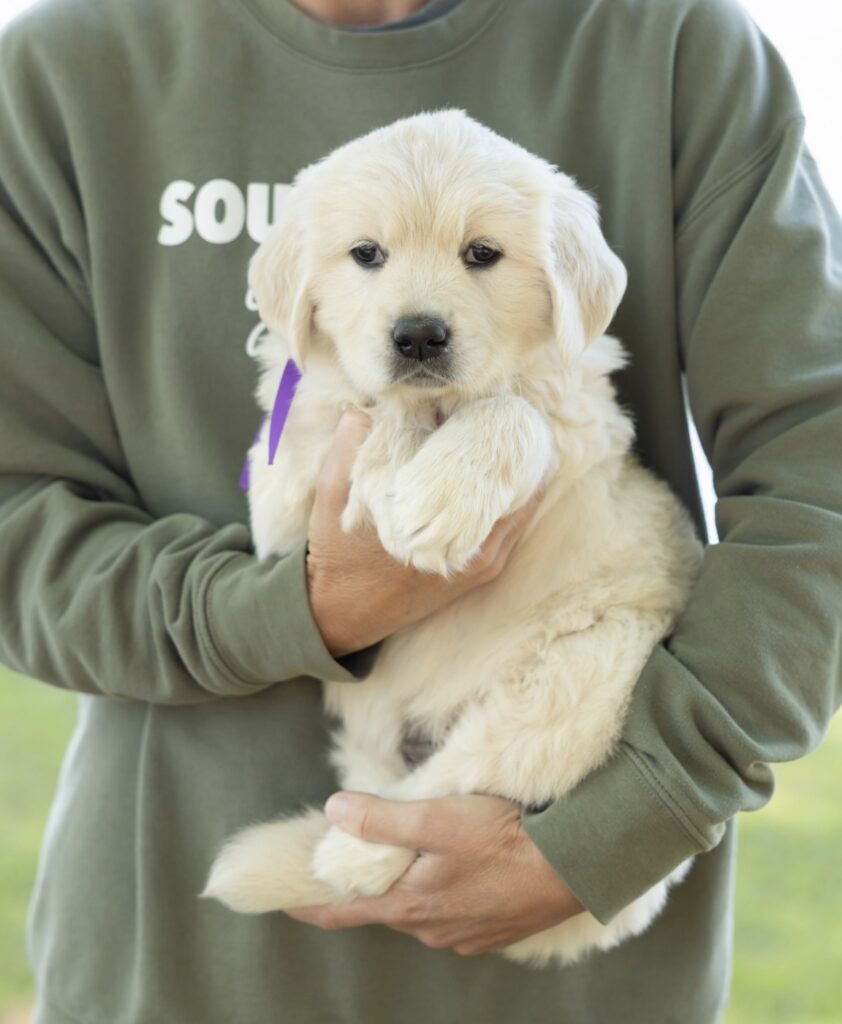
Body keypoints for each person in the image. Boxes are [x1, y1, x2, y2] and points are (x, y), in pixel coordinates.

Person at [0, 0, 839, 1021]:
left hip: (585, 978)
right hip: (174, 968)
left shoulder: (674, 46)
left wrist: (629, 815)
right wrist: (303, 606)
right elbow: (19, 520)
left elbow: (819, 476)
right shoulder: (63, 69)